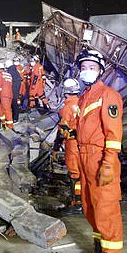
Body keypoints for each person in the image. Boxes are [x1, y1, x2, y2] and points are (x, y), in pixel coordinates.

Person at [74, 49, 124, 253]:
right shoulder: (84, 97)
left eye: (91, 68)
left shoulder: (108, 95)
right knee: (89, 205)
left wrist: (108, 163)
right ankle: (99, 250)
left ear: (101, 71)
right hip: (85, 157)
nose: (87, 71)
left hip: (100, 157)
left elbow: (113, 134)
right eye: (83, 68)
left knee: (106, 206)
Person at [56, 78, 83, 214]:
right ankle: (83, 200)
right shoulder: (82, 103)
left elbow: (63, 131)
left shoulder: (66, 109)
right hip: (83, 143)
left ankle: (77, 203)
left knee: (74, 174)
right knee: (82, 171)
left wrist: (56, 148)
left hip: (72, 144)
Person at [0, 62, 13, 129]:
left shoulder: (0, 74)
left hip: (4, 94)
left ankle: (9, 126)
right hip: (10, 94)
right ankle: (6, 124)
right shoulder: (8, 75)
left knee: (6, 110)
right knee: (7, 109)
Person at [6, 59, 22, 124]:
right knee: (15, 104)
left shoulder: (10, 71)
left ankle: (15, 119)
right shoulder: (15, 70)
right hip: (17, 90)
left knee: (14, 105)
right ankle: (15, 118)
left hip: (13, 90)